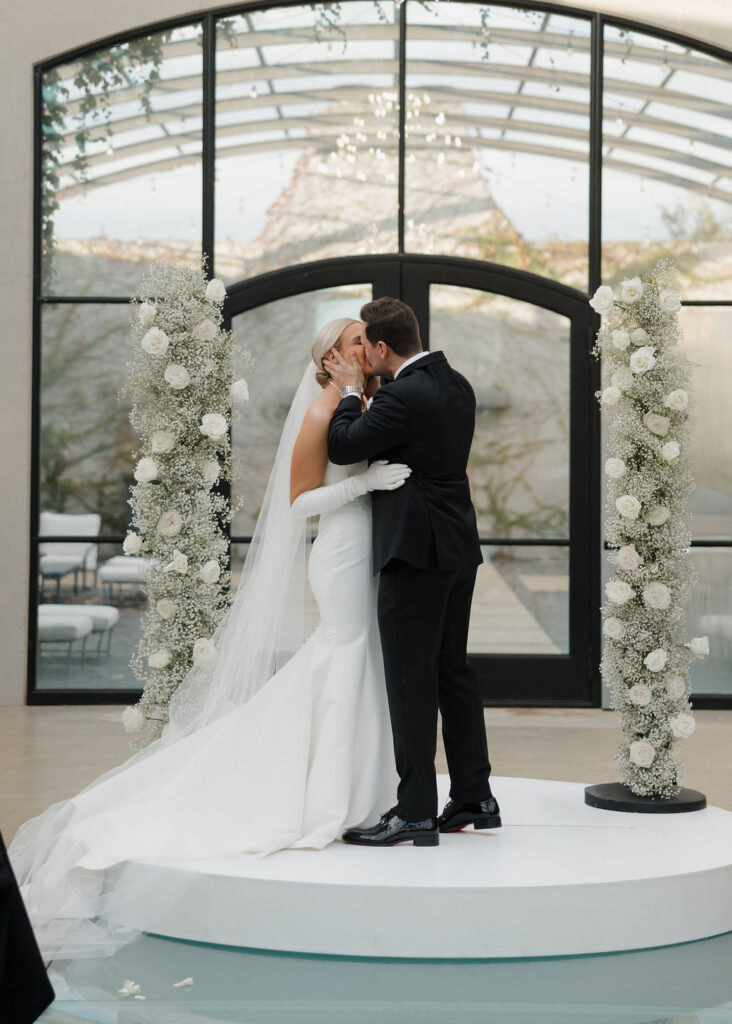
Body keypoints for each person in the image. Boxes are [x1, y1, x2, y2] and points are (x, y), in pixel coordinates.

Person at [9, 317, 407, 963]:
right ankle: (331, 797)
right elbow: (299, 499)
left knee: (357, 663)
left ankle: (362, 789)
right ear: (333, 356)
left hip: (364, 551)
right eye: (358, 340)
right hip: (337, 554)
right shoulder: (325, 408)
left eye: (370, 339)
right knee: (340, 657)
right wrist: (365, 484)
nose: (370, 348)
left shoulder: (363, 403)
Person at [325, 296, 501, 847]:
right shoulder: (457, 383)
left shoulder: (402, 394)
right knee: (454, 671)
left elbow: (344, 444)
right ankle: (475, 796)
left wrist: (352, 393)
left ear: (381, 347)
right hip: (457, 548)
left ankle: (416, 810)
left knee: (410, 680)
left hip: (415, 552)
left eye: (366, 351)